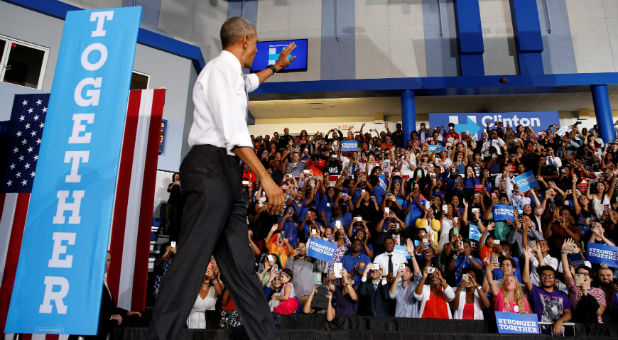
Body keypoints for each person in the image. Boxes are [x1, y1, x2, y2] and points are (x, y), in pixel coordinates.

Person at [147, 17, 296, 340]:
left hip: (226, 173)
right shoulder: (218, 70)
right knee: (190, 262)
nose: (257, 51)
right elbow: (232, 130)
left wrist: (277, 67)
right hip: (209, 167)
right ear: (244, 40)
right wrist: (267, 179)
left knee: (242, 269)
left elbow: (251, 83)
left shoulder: (233, 75)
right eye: (256, 45)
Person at [523, 247, 572, 336]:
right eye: (544, 275)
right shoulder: (536, 291)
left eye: (550, 276)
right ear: (540, 278)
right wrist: (527, 258)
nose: (547, 278)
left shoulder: (562, 295)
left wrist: (560, 321)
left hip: (558, 335)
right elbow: (526, 280)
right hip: (540, 334)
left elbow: (568, 313)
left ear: (555, 279)